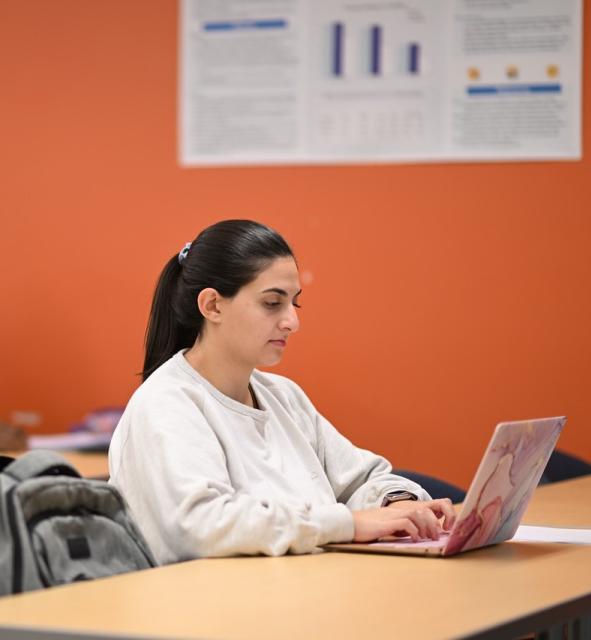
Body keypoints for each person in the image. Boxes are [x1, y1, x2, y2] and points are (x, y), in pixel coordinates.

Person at [109, 220, 456, 564]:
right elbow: (204, 526)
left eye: (294, 303)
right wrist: (346, 524)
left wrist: (397, 504)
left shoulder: (283, 395)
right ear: (212, 306)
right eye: (272, 303)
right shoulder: (167, 403)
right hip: (213, 609)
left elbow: (359, 479)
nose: (292, 321)